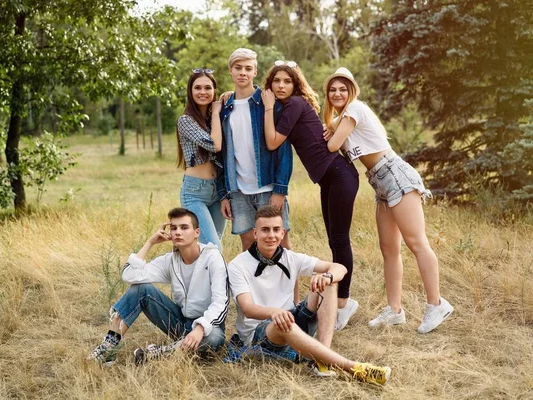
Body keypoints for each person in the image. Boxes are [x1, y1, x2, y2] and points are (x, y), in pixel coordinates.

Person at [322, 67, 453, 334]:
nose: (337, 93)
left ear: (351, 91)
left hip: (396, 175)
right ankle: (394, 310)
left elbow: (333, 145)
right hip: (379, 181)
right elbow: (333, 135)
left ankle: (436, 304)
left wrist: (330, 131)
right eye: (332, 89)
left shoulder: (355, 109)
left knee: (417, 242)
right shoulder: (342, 118)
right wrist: (330, 128)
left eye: (342, 89)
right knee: (389, 248)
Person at [227, 205, 391, 384]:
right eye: (265, 230)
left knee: (329, 282)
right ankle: (353, 367)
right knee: (283, 322)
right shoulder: (237, 265)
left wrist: (327, 276)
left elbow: (340, 268)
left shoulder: (291, 257)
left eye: (276, 230)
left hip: (292, 317)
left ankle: (322, 363)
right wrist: (274, 312)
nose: (271, 235)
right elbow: (248, 309)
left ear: (283, 233)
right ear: (255, 233)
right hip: (260, 334)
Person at [261, 61, 360, 331]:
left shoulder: (292, 104)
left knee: (339, 240)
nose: (281, 86)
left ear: (295, 85)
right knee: (334, 239)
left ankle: (343, 302)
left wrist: (269, 105)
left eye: (286, 82)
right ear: (270, 84)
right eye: (276, 82)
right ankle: (341, 300)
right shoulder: (290, 107)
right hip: (329, 178)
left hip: (339, 175)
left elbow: (272, 142)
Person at [87, 208, 228, 366]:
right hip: (179, 322)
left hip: (208, 327)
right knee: (141, 289)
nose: (178, 232)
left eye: (184, 227)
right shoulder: (170, 260)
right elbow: (129, 276)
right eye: (173, 228)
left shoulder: (213, 258)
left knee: (214, 338)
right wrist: (150, 242)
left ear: (197, 232)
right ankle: (109, 347)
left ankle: (158, 353)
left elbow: (221, 303)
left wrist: (200, 328)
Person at [219, 48, 293, 253]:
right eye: (238, 68)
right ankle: (251, 287)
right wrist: (225, 194)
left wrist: (280, 189)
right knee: (248, 247)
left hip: (267, 188)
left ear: (255, 72)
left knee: (282, 246)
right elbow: (222, 156)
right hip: (239, 190)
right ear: (230, 71)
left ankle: (289, 287)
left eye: (248, 68)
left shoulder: (269, 103)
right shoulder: (224, 107)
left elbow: (283, 150)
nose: (243, 72)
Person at [176, 69, 226, 250]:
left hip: (217, 190)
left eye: (207, 87)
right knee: (214, 248)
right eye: (197, 88)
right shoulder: (186, 121)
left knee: (209, 249)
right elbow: (215, 145)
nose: (202, 92)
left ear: (214, 90)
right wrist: (215, 113)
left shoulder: (217, 118)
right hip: (195, 192)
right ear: (190, 91)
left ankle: (200, 278)